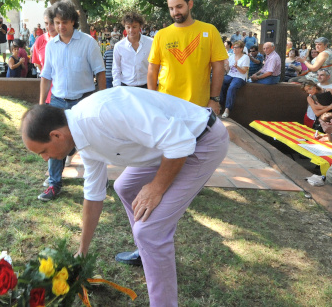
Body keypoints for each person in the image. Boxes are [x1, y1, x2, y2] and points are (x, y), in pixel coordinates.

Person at [20, 87, 229, 307]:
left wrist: (156, 187)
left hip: (201, 142)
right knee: (125, 186)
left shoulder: (102, 114)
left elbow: (180, 141)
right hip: (168, 148)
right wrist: (82, 250)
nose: (44, 159)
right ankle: (146, 251)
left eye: (42, 151)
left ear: (56, 135)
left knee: (149, 231)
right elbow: (93, 194)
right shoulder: (81, 135)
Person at [38, 0, 106, 201]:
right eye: (56, 23)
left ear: (73, 21)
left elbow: (100, 72)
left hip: (83, 101)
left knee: (89, 141)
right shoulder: (51, 46)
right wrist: (42, 103)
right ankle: (54, 184)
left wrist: (100, 100)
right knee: (54, 143)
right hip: (58, 101)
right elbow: (46, 76)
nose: (60, 27)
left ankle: (97, 179)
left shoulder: (88, 43)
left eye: (64, 22)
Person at [148, 0, 227, 112]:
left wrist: (214, 99)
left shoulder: (209, 30)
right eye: (171, 8)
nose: (175, 12)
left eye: (179, 7)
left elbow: (218, 67)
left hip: (199, 105)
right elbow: (152, 69)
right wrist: (152, 99)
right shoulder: (161, 35)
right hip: (166, 104)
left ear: (190, 4)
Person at [113, 12, 153, 89]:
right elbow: (116, 69)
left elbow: (157, 65)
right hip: (126, 87)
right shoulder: (118, 46)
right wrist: (117, 87)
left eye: (134, 27)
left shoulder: (151, 43)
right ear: (124, 27)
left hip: (147, 86)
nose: (131, 30)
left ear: (140, 26)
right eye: (128, 27)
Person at [220, 40, 250, 118]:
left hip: (240, 77)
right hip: (230, 75)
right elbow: (228, 70)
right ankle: (220, 103)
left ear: (241, 48)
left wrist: (237, 67)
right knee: (220, 82)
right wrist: (225, 65)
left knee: (232, 87)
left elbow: (244, 72)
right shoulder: (232, 56)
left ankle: (227, 109)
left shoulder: (245, 57)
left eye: (236, 48)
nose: (234, 49)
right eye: (233, 47)